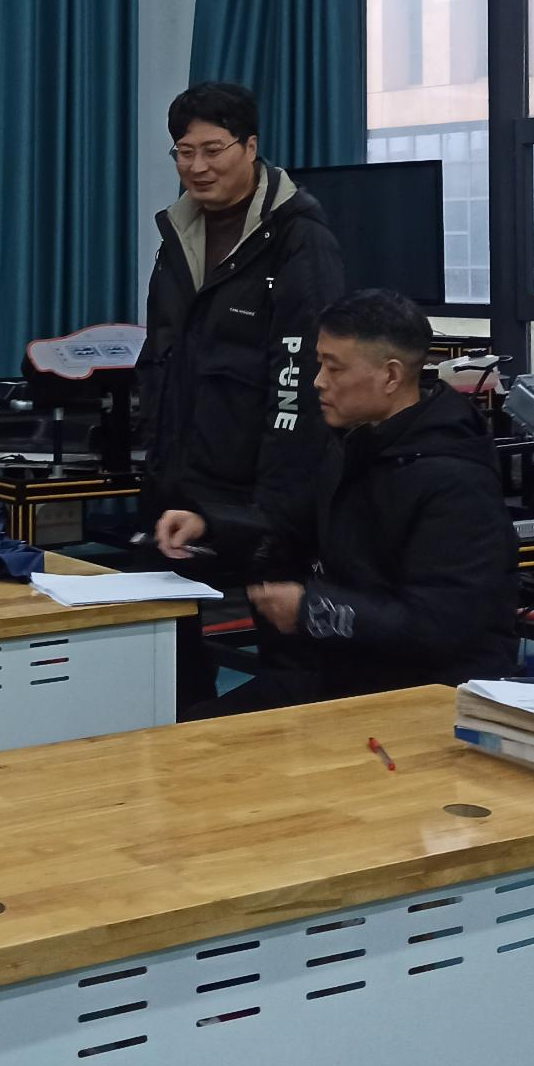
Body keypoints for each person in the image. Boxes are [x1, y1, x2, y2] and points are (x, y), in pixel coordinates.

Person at [156, 288, 518, 708]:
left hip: (421, 695)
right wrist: (209, 525)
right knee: (189, 729)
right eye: (319, 364)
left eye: (334, 368)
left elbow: (440, 624)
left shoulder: (456, 482)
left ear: (390, 376)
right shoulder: (355, 443)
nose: (318, 381)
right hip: (342, 669)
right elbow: (292, 522)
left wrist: (313, 610)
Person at [137, 81, 346, 704]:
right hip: (182, 482)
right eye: (184, 152)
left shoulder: (299, 239)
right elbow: (163, 358)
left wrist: (276, 510)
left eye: (213, 150)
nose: (197, 167)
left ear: (250, 147)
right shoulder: (179, 236)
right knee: (168, 660)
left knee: (287, 669)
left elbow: (301, 381)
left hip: (263, 495)